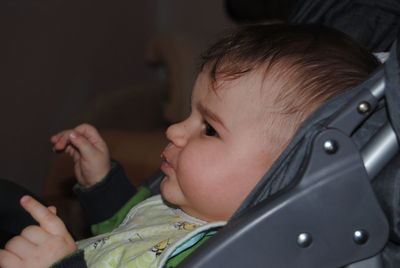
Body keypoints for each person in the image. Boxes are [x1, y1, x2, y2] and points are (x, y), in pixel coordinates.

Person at [0, 23, 379, 268]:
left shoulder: (237, 258)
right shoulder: (188, 209)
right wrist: (102, 183)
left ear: (287, 172)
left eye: (209, 128)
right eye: (188, 115)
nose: (174, 131)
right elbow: (131, 232)